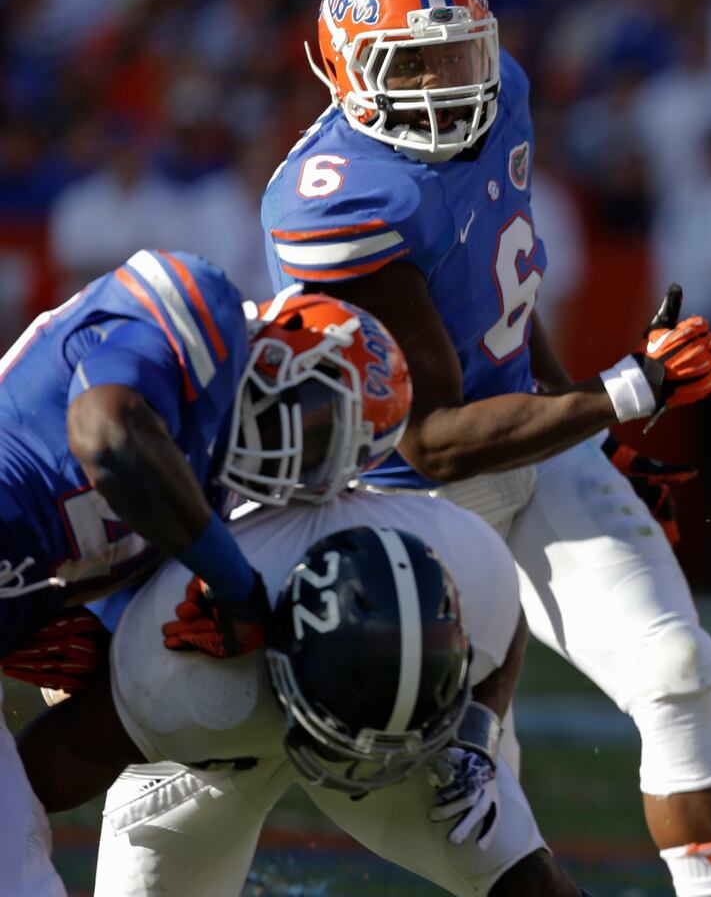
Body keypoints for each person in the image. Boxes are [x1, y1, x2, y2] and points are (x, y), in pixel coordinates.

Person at [260, 0, 711, 895]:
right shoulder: (342, 200)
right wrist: (625, 392)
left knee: (676, 671)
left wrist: (591, 426)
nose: (446, 83)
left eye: (458, 53)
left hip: (524, 441)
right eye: (413, 63)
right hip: (410, 507)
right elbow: (434, 441)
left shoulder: (503, 101)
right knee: (482, 793)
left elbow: (504, 305)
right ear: (343, 67)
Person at [0, 249, 411, 896]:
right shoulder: (202, 310)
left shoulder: (190, 512)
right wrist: (236, 587)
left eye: (323, 453)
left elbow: (92, 718)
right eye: (315, 415)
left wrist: (188, 677)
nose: (297, 449)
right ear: (284, 343)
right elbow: (106, 432)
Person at [18, 504, 588, 896]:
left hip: (413, 739)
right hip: (207, 748)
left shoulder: (466, 559)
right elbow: (44, 771)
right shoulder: (177, 672)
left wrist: (478, 731)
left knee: (521, 877)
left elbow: (505, 617)